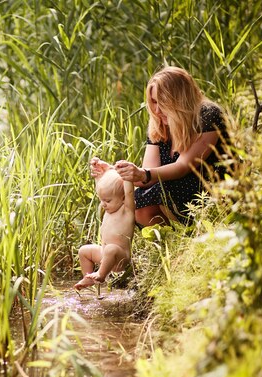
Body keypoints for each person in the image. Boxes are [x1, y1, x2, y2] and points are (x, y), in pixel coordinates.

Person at [92, 66, 230, 226]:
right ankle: (169, 240)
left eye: (163, 102)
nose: (157, 109)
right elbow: (147, 177)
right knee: (138, 198)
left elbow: (184, 166)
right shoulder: (160, 125)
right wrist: (112, 172)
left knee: (159, 192)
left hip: (212, 189)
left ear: (180, 100)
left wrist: (142, 174)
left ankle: (192, 232)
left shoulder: (208, 115)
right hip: (177, 191)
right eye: (154, 102)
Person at [74, 158, 135, 290]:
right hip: (104, 254)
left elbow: (129, 192)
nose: (103, 204)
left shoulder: (126, 210)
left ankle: (101, 275)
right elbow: (102, 190)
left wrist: (127, 177)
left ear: (123, 198)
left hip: (119, 257)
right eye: (102, 200)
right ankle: (88, 278)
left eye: (107, 200)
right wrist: (99, 172)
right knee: (84, 251)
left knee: (110, 249)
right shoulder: (109, 206)